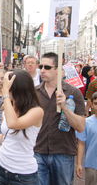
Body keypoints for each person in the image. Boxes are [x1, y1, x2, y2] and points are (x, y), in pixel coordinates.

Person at [0, 70, 44, 184]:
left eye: (7, 85)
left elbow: (13, 124)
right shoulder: (9, 107)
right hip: (0, 167)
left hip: (23, 175)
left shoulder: (37, 111)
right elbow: (6, 137)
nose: (3, 86)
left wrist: (5, 95)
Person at [34, 52, 85, 185]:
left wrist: (65, 108)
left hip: (63, 152)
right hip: (38, 151)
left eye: (47, 67)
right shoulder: (34, 92)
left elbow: (80, 127)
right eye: (41, 66)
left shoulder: (73, 92)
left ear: (58, 69)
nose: (43, 70)